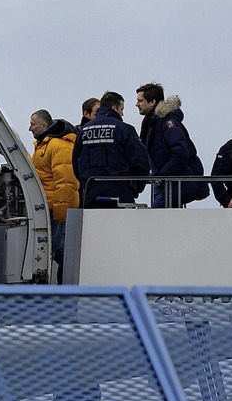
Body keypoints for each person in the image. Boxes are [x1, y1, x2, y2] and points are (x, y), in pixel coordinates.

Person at [72, 91, 150, 208]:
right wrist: (137, 186)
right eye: (122, 109)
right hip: (120, 191)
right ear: (114, 108)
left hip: (91, 192)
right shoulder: (124, 129)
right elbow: (140, 160)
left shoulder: (83, 131)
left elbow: (75, 162)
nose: (122, 114)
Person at [136, 82, 208, 208]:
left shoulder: (166, 122)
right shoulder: (153, 123)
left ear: (152, 102)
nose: (137, 104)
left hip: (171, 184)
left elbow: (181, 152)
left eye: (140, 101)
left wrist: (162, 176)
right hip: (165, 183)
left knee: (155, 222)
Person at [29, 109, 79, 283]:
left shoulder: (58, 146)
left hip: (55, 210)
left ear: (43, 125)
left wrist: (60, 214)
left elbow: (66, 183)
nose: (30, 128)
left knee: (59, 251)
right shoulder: (44, 146)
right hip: (48, 208)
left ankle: (66, 291)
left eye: (32, 124)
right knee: (56, 251)